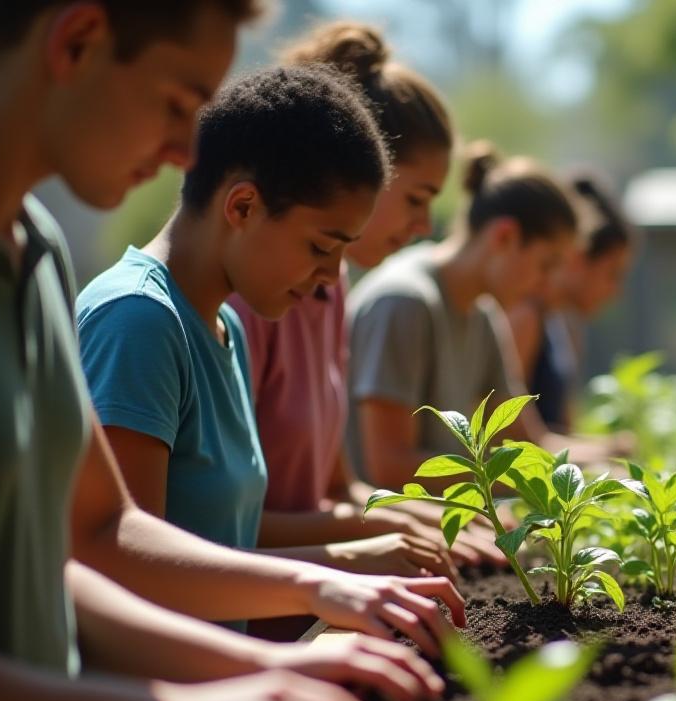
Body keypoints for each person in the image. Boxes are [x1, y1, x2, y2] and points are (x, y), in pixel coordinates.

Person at [0, 3, 456, 701]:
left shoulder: (32, 250)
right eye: (180, 103)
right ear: (77, 40)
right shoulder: (126, 310)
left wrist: (284, 637)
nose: (189, 152)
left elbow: (96, 537)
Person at [227, 23, 500, 578]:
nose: (425, 227)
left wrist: (414, 516)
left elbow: (339, 489)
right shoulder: (253, 299)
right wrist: (381, 530)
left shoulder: (330, 292)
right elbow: (219, 523)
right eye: (417, 199)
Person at [347, 141, 602, 488]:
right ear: (505, 237)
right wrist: (527, 480)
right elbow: (389, 467)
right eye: (545, 265)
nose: (546, 286)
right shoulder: (405, 301)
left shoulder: (482, 315)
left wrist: (607, 468)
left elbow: (528, 443)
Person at [509, 172, 634, 432]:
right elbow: (504, 434)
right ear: (579, 258)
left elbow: (565, 428)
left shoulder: (563, 325)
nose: (616, 291)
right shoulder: (525, 317)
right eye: (613, 274)